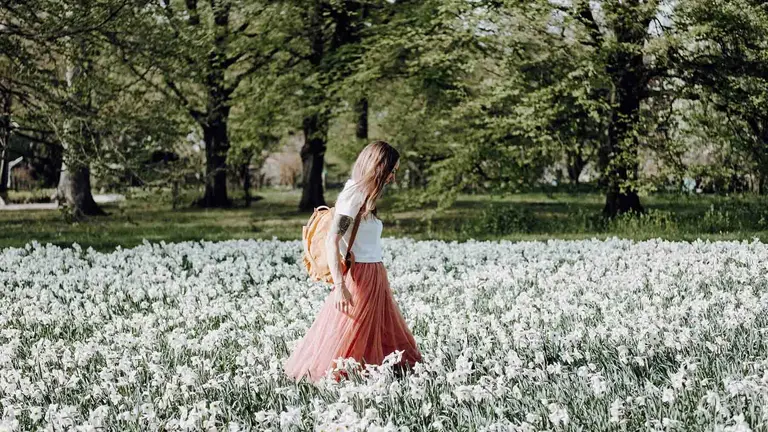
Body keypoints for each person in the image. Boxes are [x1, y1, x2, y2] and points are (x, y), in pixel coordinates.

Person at [284, 140, 423, 383]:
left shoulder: (365, 196)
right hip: (361, 276)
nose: (393, 178)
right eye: (392, 171)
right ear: (379, 167)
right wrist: (340, 286)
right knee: (353, 334)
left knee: (374, 331)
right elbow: (332, 240)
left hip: (375, 273)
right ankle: (346, 381)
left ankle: (376, 376)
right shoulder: (354, 195)